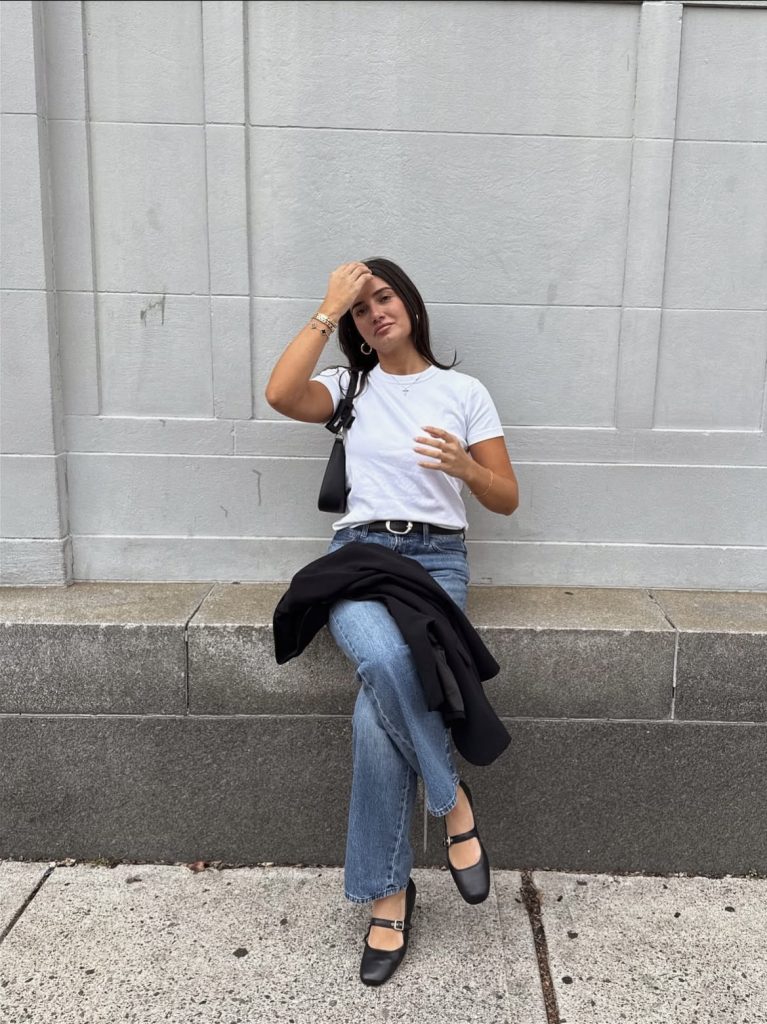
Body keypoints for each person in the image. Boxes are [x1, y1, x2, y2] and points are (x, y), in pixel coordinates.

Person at [265, 258, 519, 985]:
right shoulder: (349, 388)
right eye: (359, 309)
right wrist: (325, 306)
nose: (374, 312)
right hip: (361, 557)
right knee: (380, 659)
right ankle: (451, 799)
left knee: (373, 720)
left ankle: (387, 896)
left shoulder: (462, 391)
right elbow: (281, 394)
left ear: (409, 302)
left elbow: (505, 497)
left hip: (437, 563)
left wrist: (464, 470)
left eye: (383, 297)